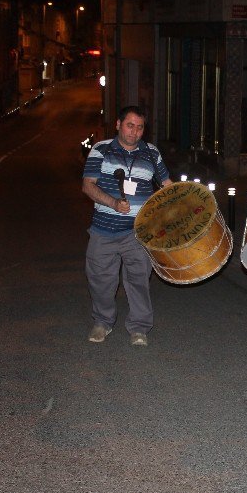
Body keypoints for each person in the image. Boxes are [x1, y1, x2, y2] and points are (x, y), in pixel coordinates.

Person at [82, 106, 172, 346]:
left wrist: (182, 203)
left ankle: (139, 328)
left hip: (138, 232)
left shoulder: (152, 153)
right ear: (118, 125)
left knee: (139, 280)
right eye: (130, 125)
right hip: (103, 229)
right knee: (100, 280)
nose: (135, 132)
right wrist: (112, 202)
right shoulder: (101, 149)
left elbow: (166, 185)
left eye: (140, 127)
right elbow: (88, 185)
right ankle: (102, 322)